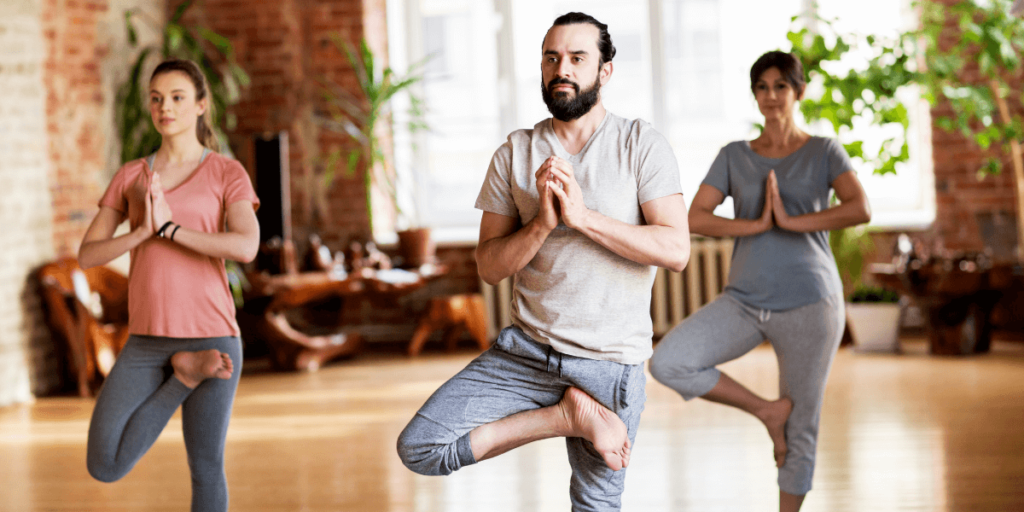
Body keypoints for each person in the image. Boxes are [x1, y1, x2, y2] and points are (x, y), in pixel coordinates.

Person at [396, 12, 690, 512]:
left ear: (606, 70)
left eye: (578, 58)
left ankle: (579, 412)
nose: (563, 69)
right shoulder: (515, 153)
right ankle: (563, 417)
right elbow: (489, 266)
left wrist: (581, 217)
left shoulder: (641, 144)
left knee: (595, 506)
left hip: (609, 365)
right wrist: (540, 225)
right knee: (420, 447)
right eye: (552, 57)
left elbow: (676, 250)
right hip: (527, 353)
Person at [649, 50, 871, 512]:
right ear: (755, 95)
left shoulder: (823, 151)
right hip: (745, 299)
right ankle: (766, 411)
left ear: (799, 91)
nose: (771, 96)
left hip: (811, 302)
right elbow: (695, 218)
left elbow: (859, 209)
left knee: (802, 426)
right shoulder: (734, 155)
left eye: (781, 86)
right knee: (669, 360)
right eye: (762, 87)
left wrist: (792, 222)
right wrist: (754, 225)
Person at [79, 58, 260, 512]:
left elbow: (245, 245)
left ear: (201, 105)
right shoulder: (131, 176)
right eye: (157, 99)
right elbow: (88, 254)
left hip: (213, 335)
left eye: (178, 98)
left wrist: (170, 230)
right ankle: (183, 375)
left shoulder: (225, 172)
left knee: (205, 467)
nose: (166, 108)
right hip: (146, 341)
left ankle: (190, 369)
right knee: (104, 463)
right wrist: (141, 231)